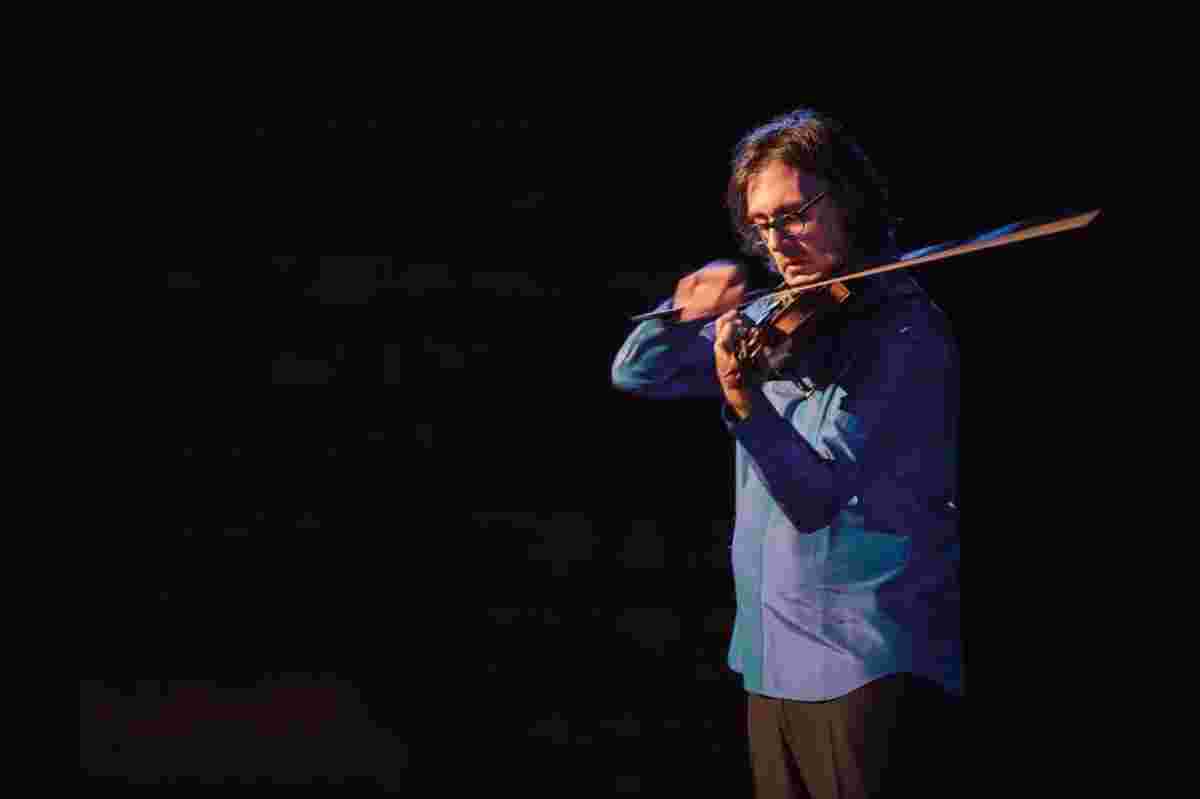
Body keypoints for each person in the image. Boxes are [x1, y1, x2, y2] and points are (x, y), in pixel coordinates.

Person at [611, 108, 964, 798]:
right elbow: (637, 372)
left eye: (795, 215)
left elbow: (813, 496)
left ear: (847, 201)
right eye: (763, 224)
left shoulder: (902, 334)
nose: (777, 242)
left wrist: (746, 402)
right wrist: (683, 309)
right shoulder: (775, 315)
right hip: (770, 652)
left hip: (865, 657)